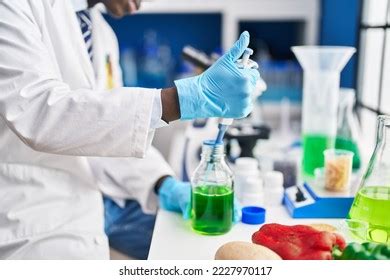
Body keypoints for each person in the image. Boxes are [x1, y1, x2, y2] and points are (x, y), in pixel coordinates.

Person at [0, 0, 260, 259]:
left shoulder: (102, 34)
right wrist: (179, 100)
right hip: (29, 218)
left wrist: (163, 183)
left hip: (87, 203)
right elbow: (41, 114)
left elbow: (102, 131)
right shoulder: (13, 6)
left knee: (195, 253)